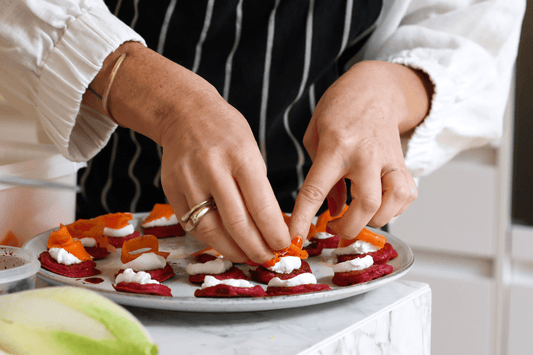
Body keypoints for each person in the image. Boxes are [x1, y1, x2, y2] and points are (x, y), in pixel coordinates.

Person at [0, 0, 525, 265]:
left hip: (330, 247)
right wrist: (171, 104)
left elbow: (471, 23)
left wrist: (389, 88)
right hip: (120, 234)